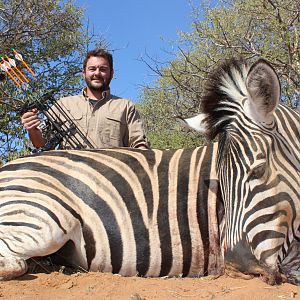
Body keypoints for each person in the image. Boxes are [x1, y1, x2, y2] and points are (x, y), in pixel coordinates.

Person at [21, 48, 149, 150]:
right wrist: (32, 129)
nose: (97, 73)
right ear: (84, 73)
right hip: (68, 177)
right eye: (92, 69)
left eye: (103, 69)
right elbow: (42, 144)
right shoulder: (64, 104)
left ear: (112, 73)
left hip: (111, 179)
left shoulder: (125, 107)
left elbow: (140, 145)